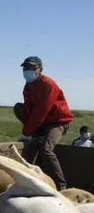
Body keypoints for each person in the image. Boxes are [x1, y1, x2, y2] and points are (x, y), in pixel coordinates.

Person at [13, 56, 73, 191]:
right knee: (19, 108)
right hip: (41, 123)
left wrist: (26, 132)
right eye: (25, 68)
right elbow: (29, 110)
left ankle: (61, 186)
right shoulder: (28, 86)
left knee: (46, 149)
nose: (28, 71)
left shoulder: (48, 84)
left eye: (32, 68)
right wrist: (28, 132)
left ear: (40, 70)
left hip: (57, 122)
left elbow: (41, 110)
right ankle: (29, 181)